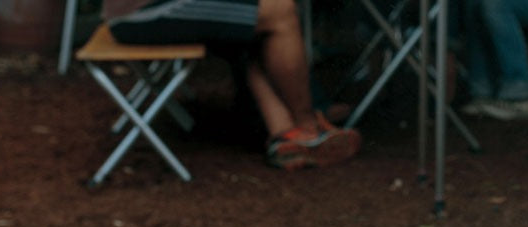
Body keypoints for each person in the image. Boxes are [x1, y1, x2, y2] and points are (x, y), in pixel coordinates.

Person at [102, 0, 361, 169]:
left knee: (247, 17)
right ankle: (309, 128)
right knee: (279, 13)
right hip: (148, 11)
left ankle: (285, 133)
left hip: (138, 11)